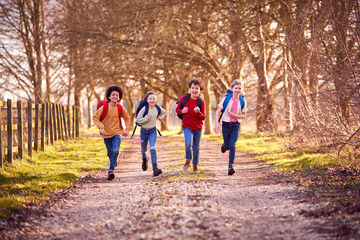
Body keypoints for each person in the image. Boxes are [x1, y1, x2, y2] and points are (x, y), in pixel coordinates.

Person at [93, 85, 131, 181]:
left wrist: (127, 130)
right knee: (110, 153)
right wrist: (101, 128)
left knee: (115, 151)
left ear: (119, 98)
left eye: (117, 95)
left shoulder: (120, 108)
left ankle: (111, 170)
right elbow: (95, 118)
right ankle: (113, 161)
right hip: (106, 134)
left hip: (117, 133)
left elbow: (127, 118)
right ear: (109, 97)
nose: (115, 97)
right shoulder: (104, 107)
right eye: (113, 95)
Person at [213, 79, 247, 175]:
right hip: (226, 124)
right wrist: (216, 124)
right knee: (227, 146)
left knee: (232, 145)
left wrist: (235, 116)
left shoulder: (242, 100)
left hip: (235, 125)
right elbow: (217, 112)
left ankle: (231, 165)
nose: (237, 90)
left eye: (239, 88)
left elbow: (244, 116)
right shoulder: (226, 99)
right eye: (236, 88)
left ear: (241, 89)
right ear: (232, 88)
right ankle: (224, 145)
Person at [176, 79, 206, 173]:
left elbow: (203, 117)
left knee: (196, 147)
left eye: (196, 88)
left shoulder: (201, 102)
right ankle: (188, 160)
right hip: (187, 126)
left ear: (200, 90)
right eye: (192, 88)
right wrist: (182, 111)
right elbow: (177, 110)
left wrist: (198, 112)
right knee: (188, 143)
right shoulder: (183, 99)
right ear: (190, 88)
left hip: (197, 128)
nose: (194, 90)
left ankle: (195, 165)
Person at [136, 92, 167, 177]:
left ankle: (155, 169)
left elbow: (164, 112)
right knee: (144, 151)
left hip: (153, 131)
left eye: (154, 98)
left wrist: (161, 117)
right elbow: (138, 120)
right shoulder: (144, 109)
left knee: (152, 148)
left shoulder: (157, 108)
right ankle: (144, 159)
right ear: (147, 100)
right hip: (143, 132)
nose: (152, 100)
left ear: (156, 100)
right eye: (150, 98)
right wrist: (145, 118)